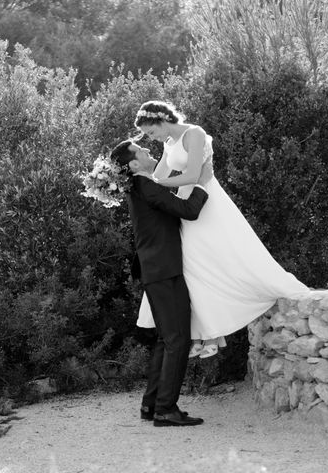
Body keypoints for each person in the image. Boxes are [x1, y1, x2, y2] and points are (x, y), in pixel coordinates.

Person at [134, 100, 310, 359]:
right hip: (185, 202)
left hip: (205, 198)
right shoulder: (168, 143)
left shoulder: (194, 133)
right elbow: (157, 176)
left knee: (214, 258)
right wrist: (135, 183)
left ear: (161, 121)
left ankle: (213, 333)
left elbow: (193, 174)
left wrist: (156, 185)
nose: (152, 137)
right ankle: (209, 333)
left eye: (151, 131)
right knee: (194, 265)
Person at [110, 139, 212, 427]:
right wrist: (203, 182)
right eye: (142, 152)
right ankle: (166, 409)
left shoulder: (140, 187)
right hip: (164, 271)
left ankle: (151, 404)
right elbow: (189, 210)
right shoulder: (146, 186)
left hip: (157, 271)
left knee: (165, 339)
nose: (148, 152)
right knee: (178, 339)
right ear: (133, 165)